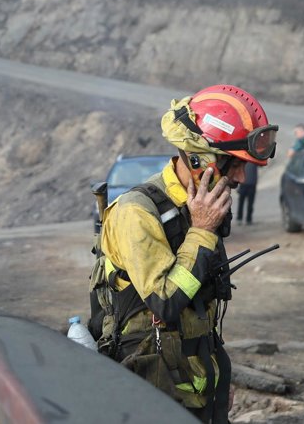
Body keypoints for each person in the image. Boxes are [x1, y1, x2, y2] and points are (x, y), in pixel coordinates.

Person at [89, 85, 277, 423]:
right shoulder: (137, 212)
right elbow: (165, 301)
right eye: (234, 164)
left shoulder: (199, 205)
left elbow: (200, 307)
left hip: (196, 381)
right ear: (197, 158)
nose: (241, 177)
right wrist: (202, 231)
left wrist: (216, 378)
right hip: (152, 391)